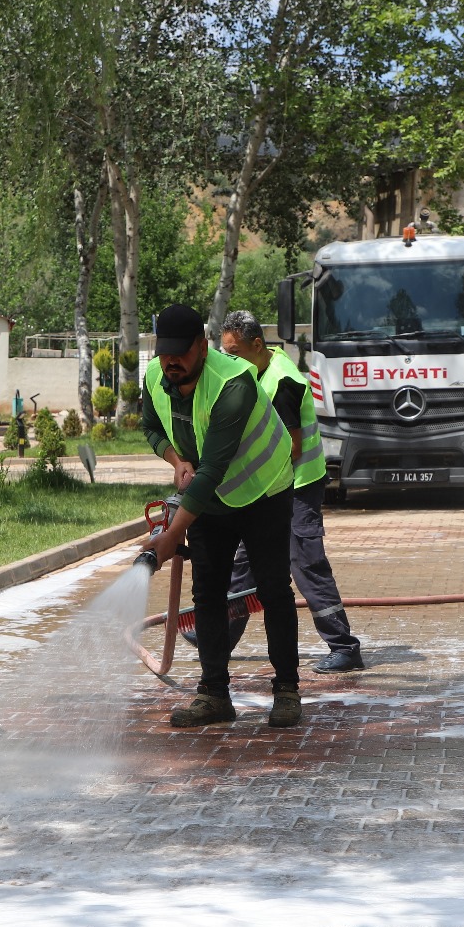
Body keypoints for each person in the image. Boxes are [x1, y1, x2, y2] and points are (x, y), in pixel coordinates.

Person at [137, 303, 304, 728]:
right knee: (207, 594)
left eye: (181, 352)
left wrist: (173, 535)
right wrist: (176, 461)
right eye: (164, 352)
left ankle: (286, 691)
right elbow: (151, 427)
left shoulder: (234, 383)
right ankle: (214, 695)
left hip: (264, 489)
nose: (171, 361)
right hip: (209, 498)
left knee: (272, 590)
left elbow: (213, 468)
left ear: (203, 345)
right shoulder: (156, 376)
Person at [218, 310, 364, 673]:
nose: (228, 359)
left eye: (233, 352)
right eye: (224, 352)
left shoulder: (282, 380)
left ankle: (344, 646)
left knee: (305, 563)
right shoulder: (258, 370)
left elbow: (292, 448)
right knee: (244, 562)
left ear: (256, 345)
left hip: (296, 485)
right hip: (268, 486)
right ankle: (218, 636)